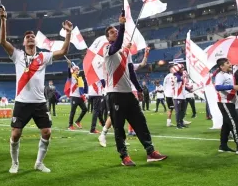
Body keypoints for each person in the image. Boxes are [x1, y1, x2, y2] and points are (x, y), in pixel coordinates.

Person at [0, 7, 71, 174]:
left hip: (39, 102)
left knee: (47, 132)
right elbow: (2, 41)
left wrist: (68, 33)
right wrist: (3, 20)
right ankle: (15, 163)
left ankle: (39, 163)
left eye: (32, 36)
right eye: (27, 37)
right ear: (24, 43)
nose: (30, 38)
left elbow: (63, 51)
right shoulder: (17, 55)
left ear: (35, 42)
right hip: (21, 102)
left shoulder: (43, 57)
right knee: (15, 134)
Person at [103, 14, 167, 166]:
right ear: (108, 38)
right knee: (119, 127)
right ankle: (124, 156)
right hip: (115, 94)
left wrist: (138, 89)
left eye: (116, 31)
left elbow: (131, 72)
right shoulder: (108, 49)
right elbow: (116, 46)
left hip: (128, 94)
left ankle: (150, 151)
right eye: (112, 32)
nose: (115, 33)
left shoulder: (126, 53)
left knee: (140, 122)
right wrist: (122, 25)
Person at [214, 58, 238, 154]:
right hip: (225, 102)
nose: (230, 64)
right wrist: (233, 87)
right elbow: (217, 87)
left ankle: (223, 146)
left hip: (230, 102)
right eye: (227, 63)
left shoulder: (229, 75)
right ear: (221, 66)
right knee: (235, 123)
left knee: (226, 125)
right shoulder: (220, 75)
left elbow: (232, 87)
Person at [66, 60, 88, 130]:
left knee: (85, 109)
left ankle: (78, 121)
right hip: (74, 96)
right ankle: (70, 125)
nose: (77, 70)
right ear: (73, 70)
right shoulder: (72, 77)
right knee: (73, 111)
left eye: (78, 69)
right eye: (76, 69)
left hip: (80, 97)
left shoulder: (80, 78)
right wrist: (69, 65)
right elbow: (69, 72)